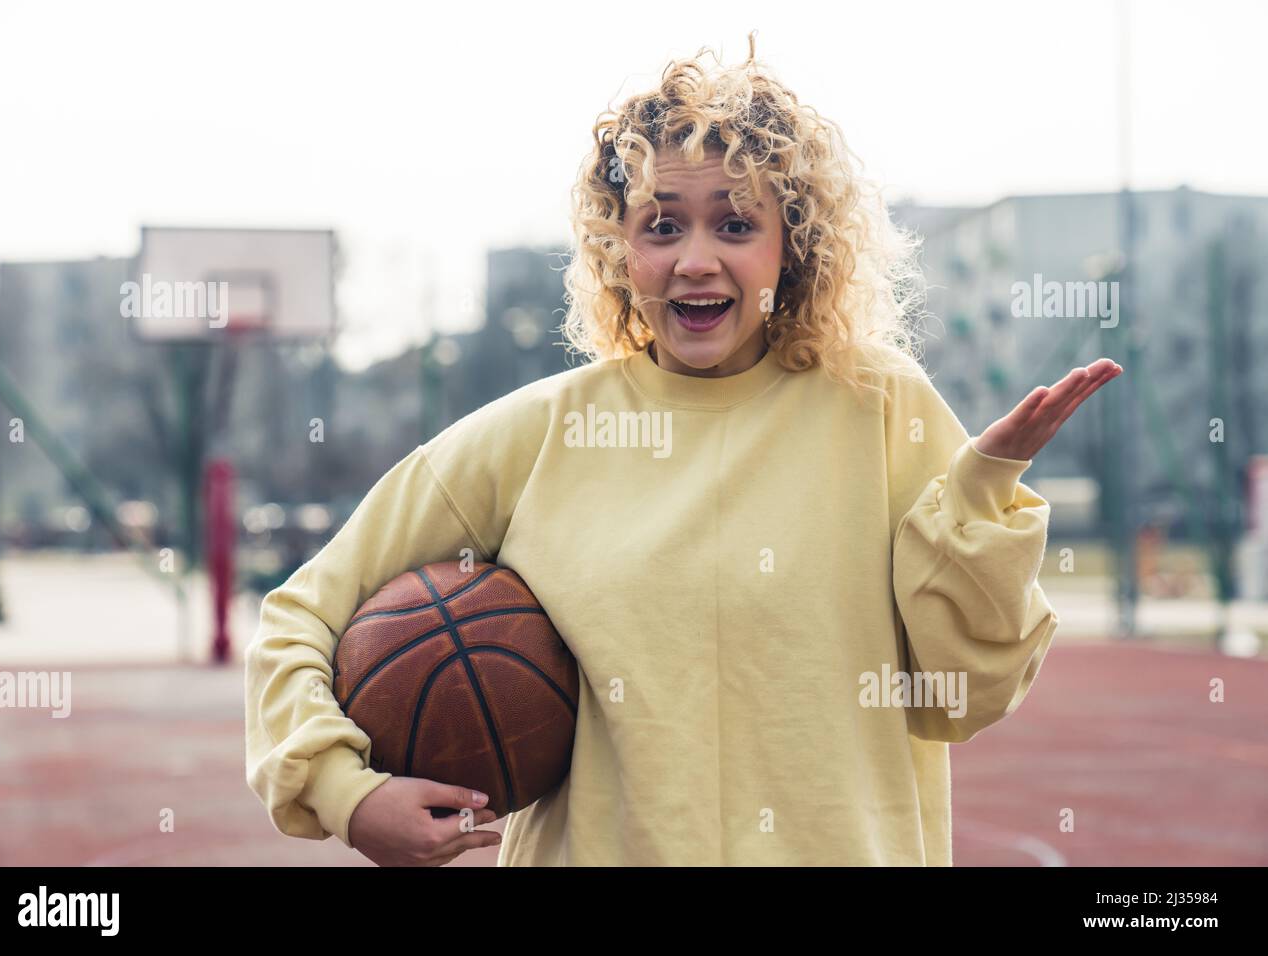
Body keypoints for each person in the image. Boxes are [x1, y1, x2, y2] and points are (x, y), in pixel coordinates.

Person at [244, 36, 1121, 866]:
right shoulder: (537, 434)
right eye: (661, 227)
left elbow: (968, 696)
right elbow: (300, 616)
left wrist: (978, 502)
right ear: (619, 251)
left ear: (796, 247)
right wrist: (343, 793)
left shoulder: (880, 406)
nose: (695, 259)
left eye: (736, 225)